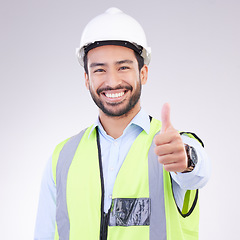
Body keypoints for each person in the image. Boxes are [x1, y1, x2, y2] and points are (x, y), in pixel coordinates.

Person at [34, 7, 210, 240]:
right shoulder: (62, 157)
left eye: (123, 67)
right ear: (87, 79)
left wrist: (187, 159)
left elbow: (198, 172)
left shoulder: (171, 145)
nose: (112, 81)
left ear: (143, 73)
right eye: (99, 70)